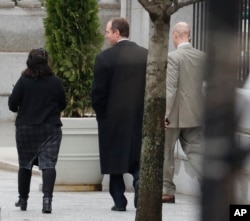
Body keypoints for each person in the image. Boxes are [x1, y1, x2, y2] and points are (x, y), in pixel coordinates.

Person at [91, 17, 148, 211]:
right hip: (139, 116)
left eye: (108, 31)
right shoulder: (145, 55)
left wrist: (101, 114)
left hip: (112, 118)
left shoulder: (104, 58)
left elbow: (98, 92)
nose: (106, 35)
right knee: (137, 156)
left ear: (117, 32)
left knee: (115, 161)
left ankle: (119, 201)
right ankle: (139, 179)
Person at [8, 48, 66, 213]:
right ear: (47, 62)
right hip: (50, 128)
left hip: (26, 129)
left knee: (25, 164)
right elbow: (63, 103)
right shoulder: (55, 81)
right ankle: (47, 200)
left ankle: (23, 200)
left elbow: (12, 105)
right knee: (49, 164)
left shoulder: (23, 81)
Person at [162, 22, 206, 203]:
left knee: (167, 152)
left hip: (174, 115)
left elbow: (171, 88)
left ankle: (167, 190)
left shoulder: (173, 57)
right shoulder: (202, 56)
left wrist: (165, 113)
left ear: (175, 35)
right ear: (189, 35)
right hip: (195, 113)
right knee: (196, 151)